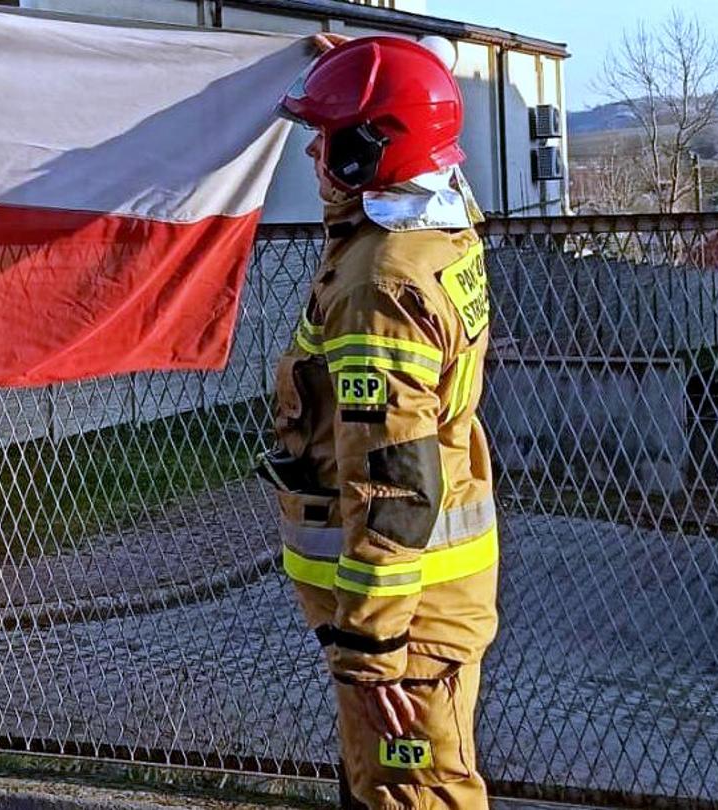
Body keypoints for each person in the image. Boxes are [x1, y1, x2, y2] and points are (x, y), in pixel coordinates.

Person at [263, 35, 498, 810]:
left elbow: (393, 483)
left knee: (410, 796)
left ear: (370, 151)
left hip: (405, 627)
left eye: (328, 136)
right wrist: (378, 73)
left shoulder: (379, 285)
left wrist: (372, 649)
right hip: (423, 608)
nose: (312, 153)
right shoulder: (433, 228)